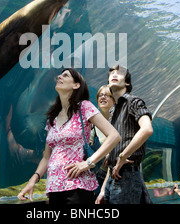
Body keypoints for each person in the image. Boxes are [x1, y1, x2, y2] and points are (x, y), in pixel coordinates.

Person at [17, 68, 121, 204]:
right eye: (60, 75)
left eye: (65, 75)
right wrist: (33, 181)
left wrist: (88, 163)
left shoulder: (84, 107)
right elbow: (46, 157)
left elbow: (114, 136)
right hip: (54, 188)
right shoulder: (52, 116)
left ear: (76, 85)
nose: (59, 76)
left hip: (77, 186)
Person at [96, 65, 154, 204]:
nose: (114, 74)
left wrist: (123, 155)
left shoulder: (133, 101)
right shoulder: (113, 113)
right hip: (113, 176)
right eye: (111, 73)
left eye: (119, 73)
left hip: (127, 174)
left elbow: (147, 129)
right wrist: (104, 189)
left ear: (127, 82)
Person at [92, 85, 116, 195]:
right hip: (98, 172)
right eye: (100, 95)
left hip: (116, 173)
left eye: (107, 95)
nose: (103, 97)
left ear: (114, 99)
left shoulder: (120, 119)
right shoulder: (92, 120)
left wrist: (111, 152)